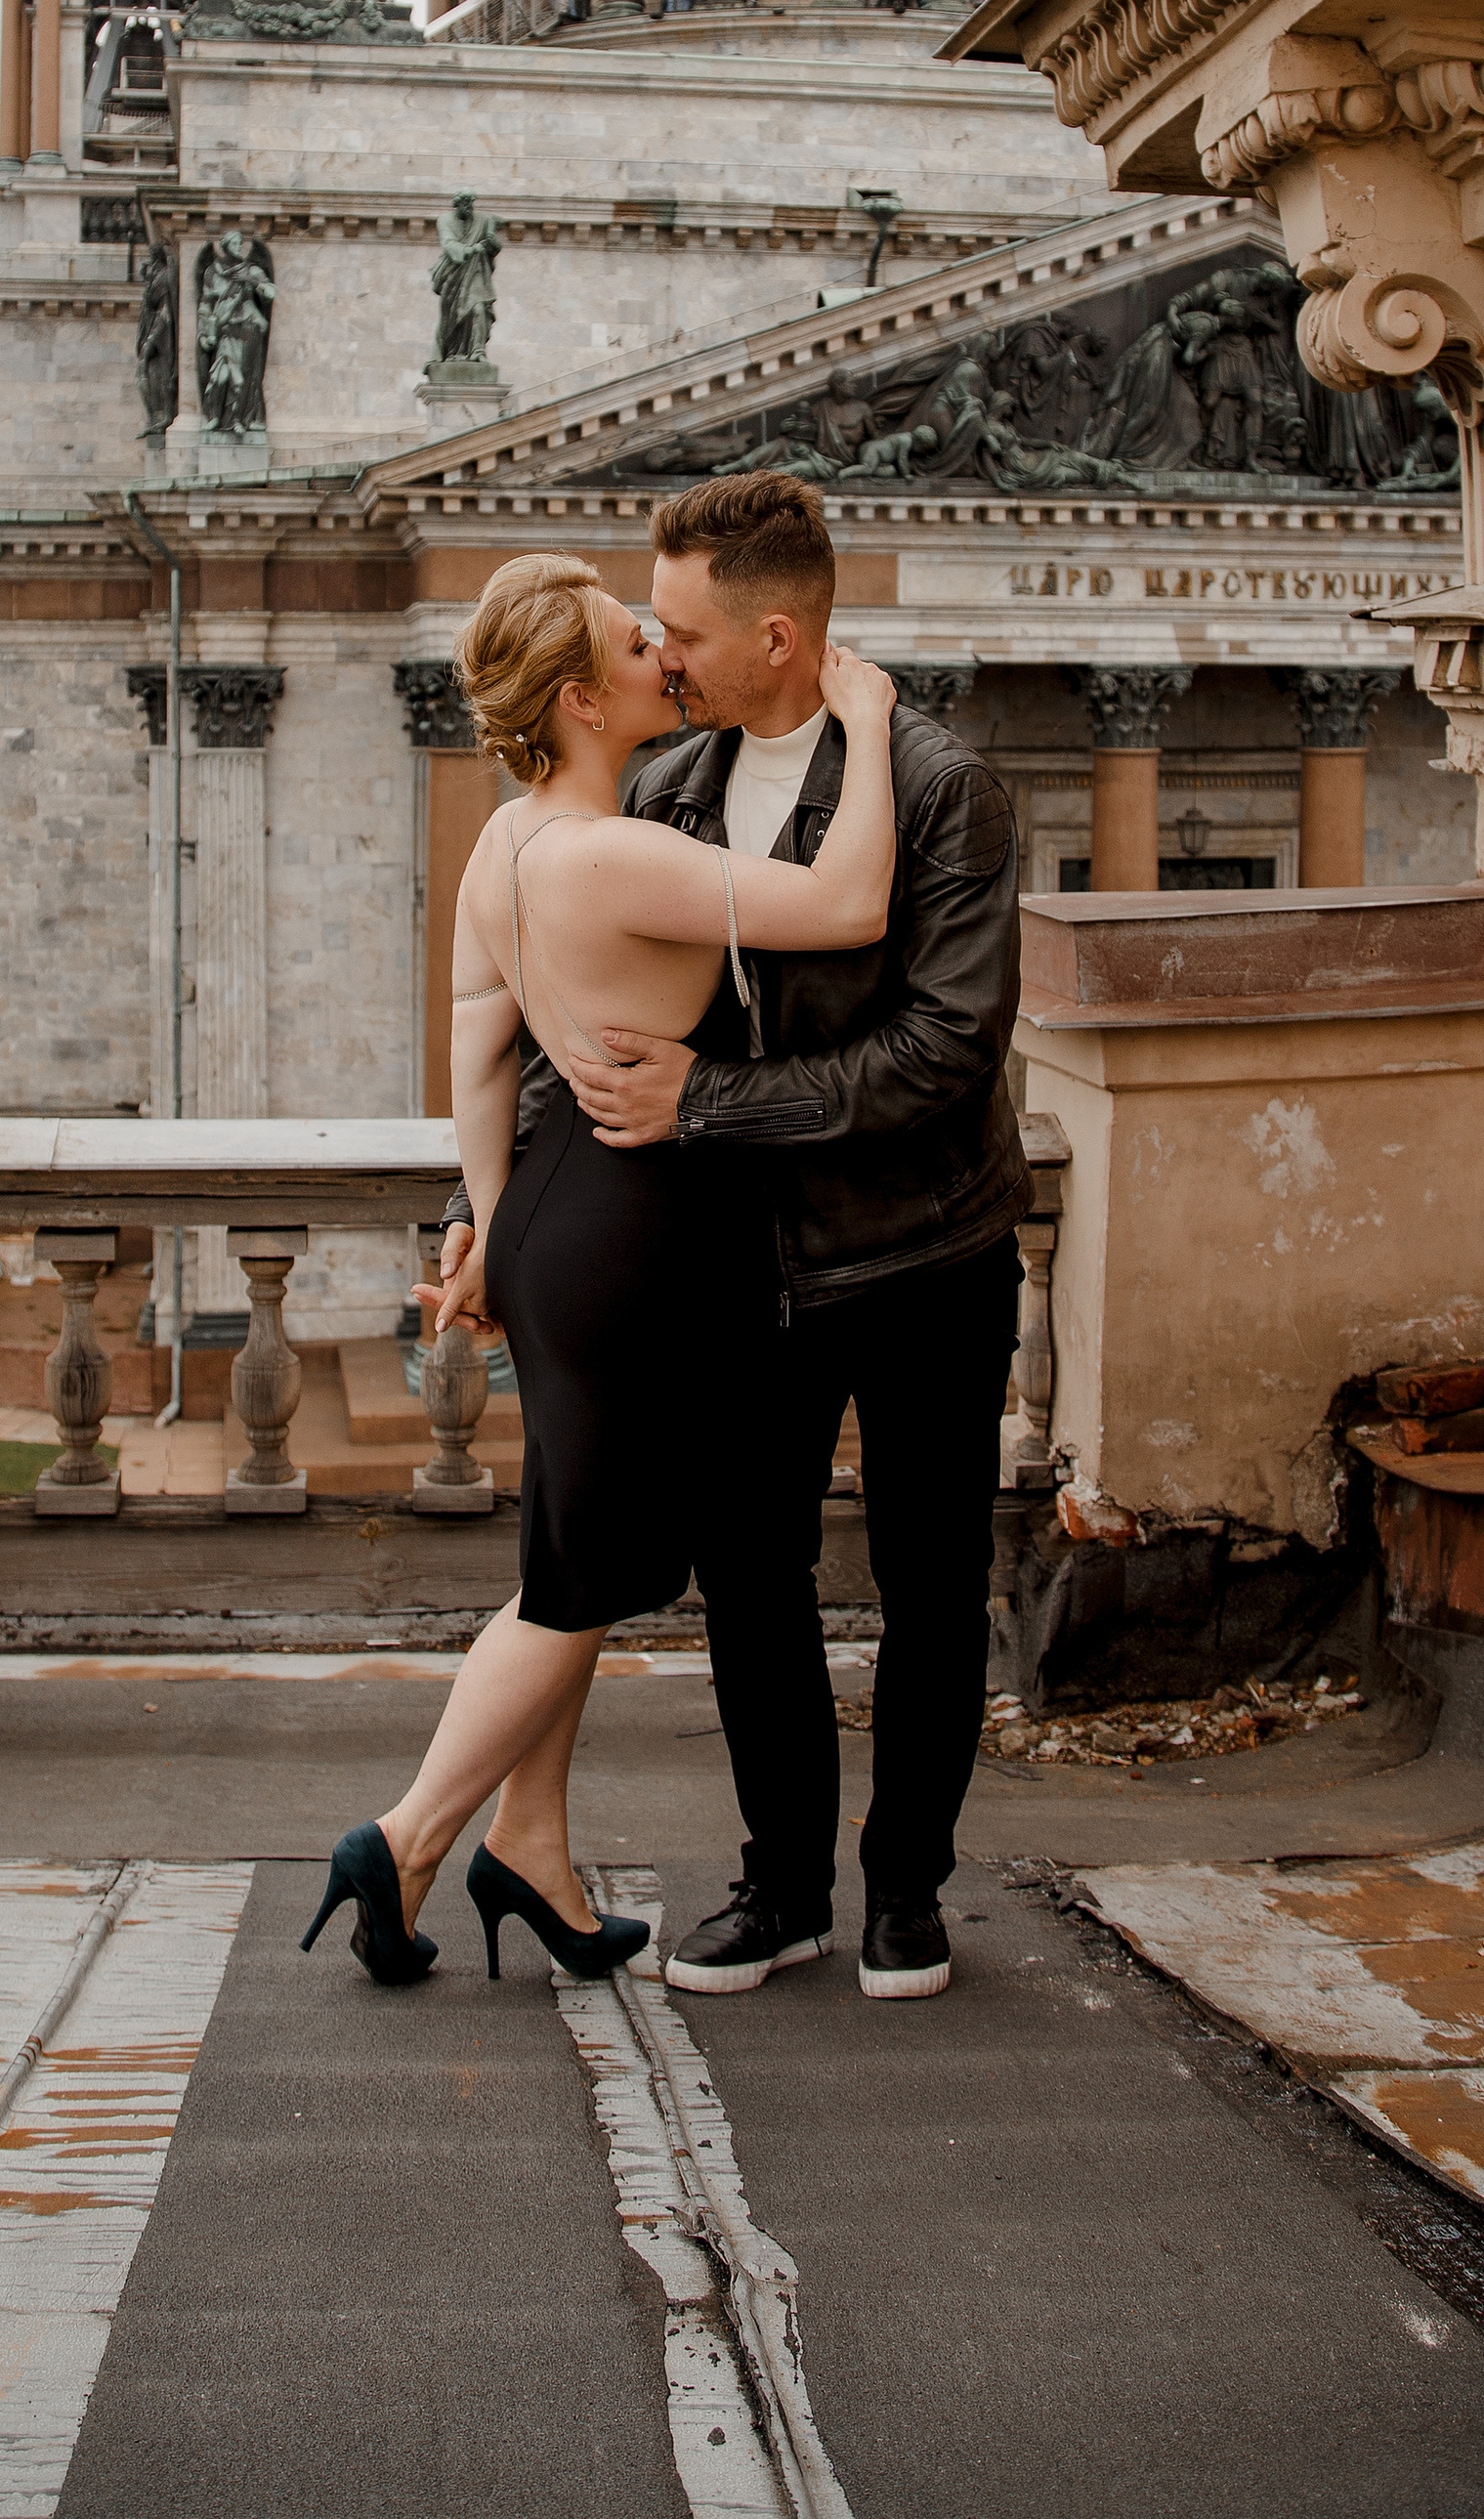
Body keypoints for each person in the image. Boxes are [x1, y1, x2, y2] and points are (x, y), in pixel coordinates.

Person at [301, 550, 903, 1989]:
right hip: (638, 1222)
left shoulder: (505, 846)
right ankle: (406, 1838)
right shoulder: (608, 850)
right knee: (583, 1578)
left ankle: (537, 1849)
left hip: (559, 1216)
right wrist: (868, 725)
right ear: (582, 699)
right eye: (638, 642)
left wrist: (495, 1235)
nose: (663, 651)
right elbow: (849, 905)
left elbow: (474, 1052)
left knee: (565, 1544)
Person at [551, 470, 1028, 2005]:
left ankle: (908, 1893)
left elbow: (944, 1051)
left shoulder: (948, 788)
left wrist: (713, 1106)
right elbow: (595, 1036)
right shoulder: (664, 788)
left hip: (925, 1259)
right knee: (748, 1579)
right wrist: (481, 1213)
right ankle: (781, 1889)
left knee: (931, 1582)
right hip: (737, 1271)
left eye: (679, 628)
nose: (658, 651)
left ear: (775, 632)